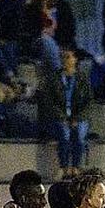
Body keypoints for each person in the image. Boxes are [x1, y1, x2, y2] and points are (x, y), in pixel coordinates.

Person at [40, 49, 92, 179]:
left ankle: (76, 167)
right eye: (63, 57)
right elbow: (49, 101)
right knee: (65, 136)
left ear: (75, 60)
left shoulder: (82, 78)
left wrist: (77, 118)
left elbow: (89, 102)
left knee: (79, 136)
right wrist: (62, 117)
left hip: (79, 117)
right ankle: (64, 167)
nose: (65, 60)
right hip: (60, 116)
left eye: (68, 57)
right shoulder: (54, 78)